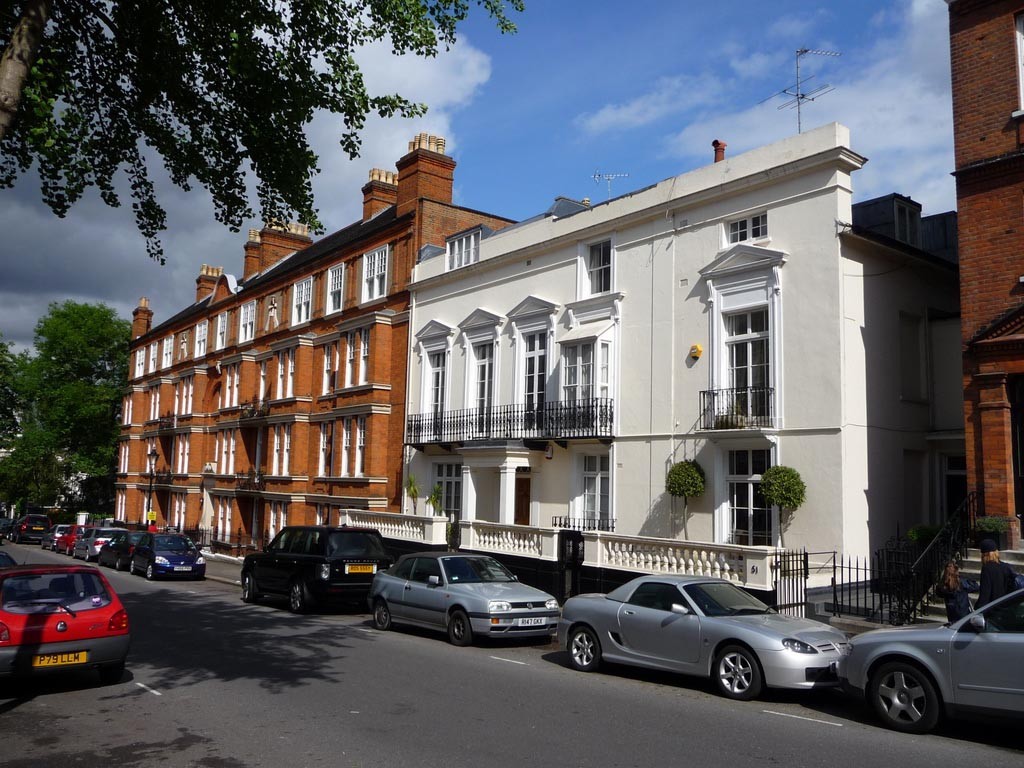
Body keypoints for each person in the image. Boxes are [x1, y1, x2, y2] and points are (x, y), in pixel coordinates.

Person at [976, 538, 1016, 608]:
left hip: (994, 610)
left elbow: (985, 595)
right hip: (1006, 607)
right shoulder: (1006, 567)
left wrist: (977, 610)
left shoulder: (986, 569)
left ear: (984, 555)